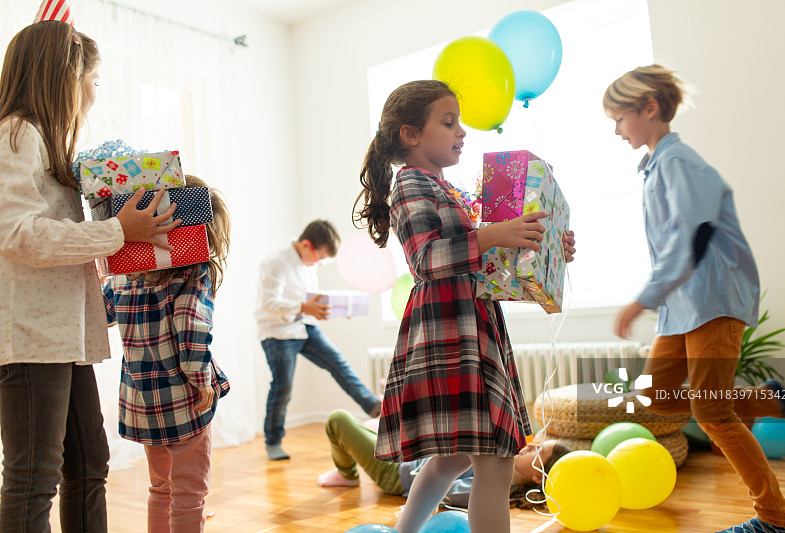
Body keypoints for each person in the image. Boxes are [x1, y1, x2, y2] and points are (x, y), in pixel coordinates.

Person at [352, 79, 576, 533]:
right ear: (410, 135)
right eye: (448, 122)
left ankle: (403, 532)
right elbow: (427, 258)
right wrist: (496, 234)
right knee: (495, 460)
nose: (462, 132)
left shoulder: (446, 188)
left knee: (451, 457)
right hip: (449, 331)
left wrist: (542, 245)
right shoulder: (410, 185)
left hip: (470, 326)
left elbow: (483, 262)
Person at [0, 21, 181, 531]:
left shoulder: (47, 144)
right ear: (66, 74)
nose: (95, 91)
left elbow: (50, 236)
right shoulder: (17, 133)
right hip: (34, 338)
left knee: (88, 464)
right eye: (95, 79)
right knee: (34, 476)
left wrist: (121, 234)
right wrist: (116, 231)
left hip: (62, 334)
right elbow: (18, 235)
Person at [605, 64, 785, 533]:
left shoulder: (678, 162)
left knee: (712, 412)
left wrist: (642, 299)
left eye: (620, 118)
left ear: (649, 109)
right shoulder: (654, 167)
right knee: (655, 393)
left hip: (712, 300)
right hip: (683, 307)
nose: (616, 130)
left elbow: (692, 236)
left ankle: (776, 520)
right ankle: (771, 399)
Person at [102, 174, 231, 532]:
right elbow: (191, 326)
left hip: (142, 402)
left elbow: (105, 313)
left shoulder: (126, 274)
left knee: (161, 488)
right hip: (182, 399)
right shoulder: (193, 273)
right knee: (190, 493)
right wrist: (202, 379)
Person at [256, 219, 382, 461]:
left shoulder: (308, 264)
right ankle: (273, 441)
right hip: (278, 331)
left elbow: (311, 299)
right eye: (320, 258)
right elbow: (268, 304)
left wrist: (331, 309)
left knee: (337, 363)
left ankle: (373, 406)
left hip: (304, 325)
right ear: (306, 245)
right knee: (282, 386)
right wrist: (304, 306)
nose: (318, 263)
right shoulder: (276, 263)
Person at [318, 409, 572, 510]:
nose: (530, 447)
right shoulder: (502, 458)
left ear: (539, 476)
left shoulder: (498, 483)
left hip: (398, 474)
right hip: (416, 455)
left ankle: (347, 474)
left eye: (539, 451)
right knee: (375, 423)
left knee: (338, 420)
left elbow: (445, 492)